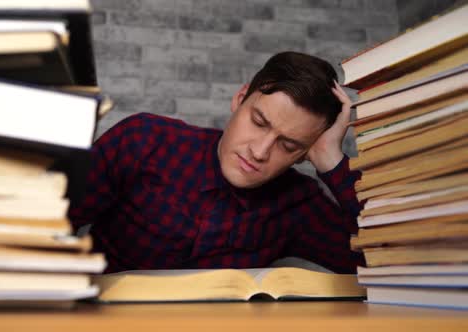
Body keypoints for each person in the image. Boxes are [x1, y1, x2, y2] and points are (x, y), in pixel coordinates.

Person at [69, 51, 365, 273]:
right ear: (239, 99)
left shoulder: (299, 202)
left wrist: (331, 161)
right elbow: (48, 223)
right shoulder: (145, 140)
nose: (260, 151)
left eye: (288, 145)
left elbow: (378, 264)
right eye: (259, 122)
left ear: (305, 152)